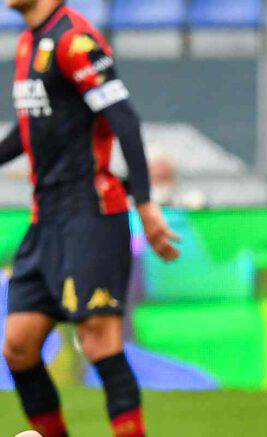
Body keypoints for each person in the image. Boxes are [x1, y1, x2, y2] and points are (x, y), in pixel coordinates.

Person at [0, 1, 180, 436]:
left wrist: (145, 203)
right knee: (19, 347)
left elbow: (123, 117)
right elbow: (30, 130)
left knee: (99, 339)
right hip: (46, 217)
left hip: (91, 212)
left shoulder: (74, 40)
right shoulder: (28, 43)